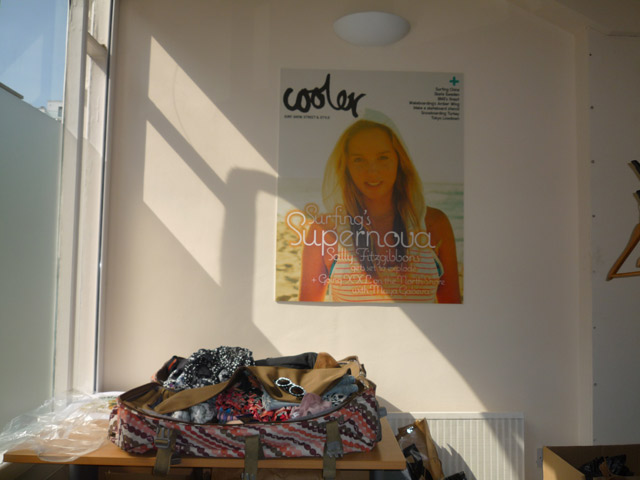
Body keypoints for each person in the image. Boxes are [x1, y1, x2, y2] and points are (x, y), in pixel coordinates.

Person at [298, 115, 461, 303]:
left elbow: (452, 308)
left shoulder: (434, 224)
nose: (372, 171)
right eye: (359, 160)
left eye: (383, 157)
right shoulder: (325, 230)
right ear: (346, 166)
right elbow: (307, 312)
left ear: (400, 161)